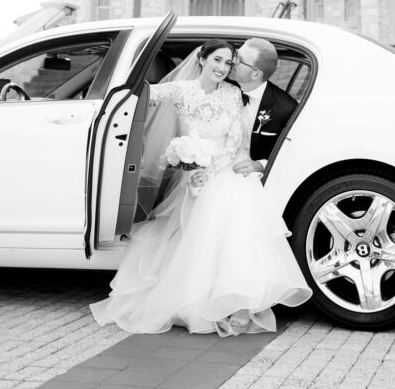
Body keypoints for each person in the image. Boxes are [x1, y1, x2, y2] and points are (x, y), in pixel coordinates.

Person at [90, 39, 310, 337]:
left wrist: (208, 174)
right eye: (217, 60)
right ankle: (196, 298)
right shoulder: (181, 90)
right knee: (196, 226)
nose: (224, 67)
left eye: (229, 62)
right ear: (202, 59)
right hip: (193, 174)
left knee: (235, 211)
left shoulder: (233, 93)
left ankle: (242, 302)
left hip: (226, 169)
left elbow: (234, 142)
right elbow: (142, 95)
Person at [229, 37, 298, 178]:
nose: (231, 61)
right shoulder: (219, 85)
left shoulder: (286, 108)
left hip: (253, 178)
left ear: (256, 74)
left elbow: (293, 154)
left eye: (239, 60)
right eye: (235, 54)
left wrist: (261, 165)